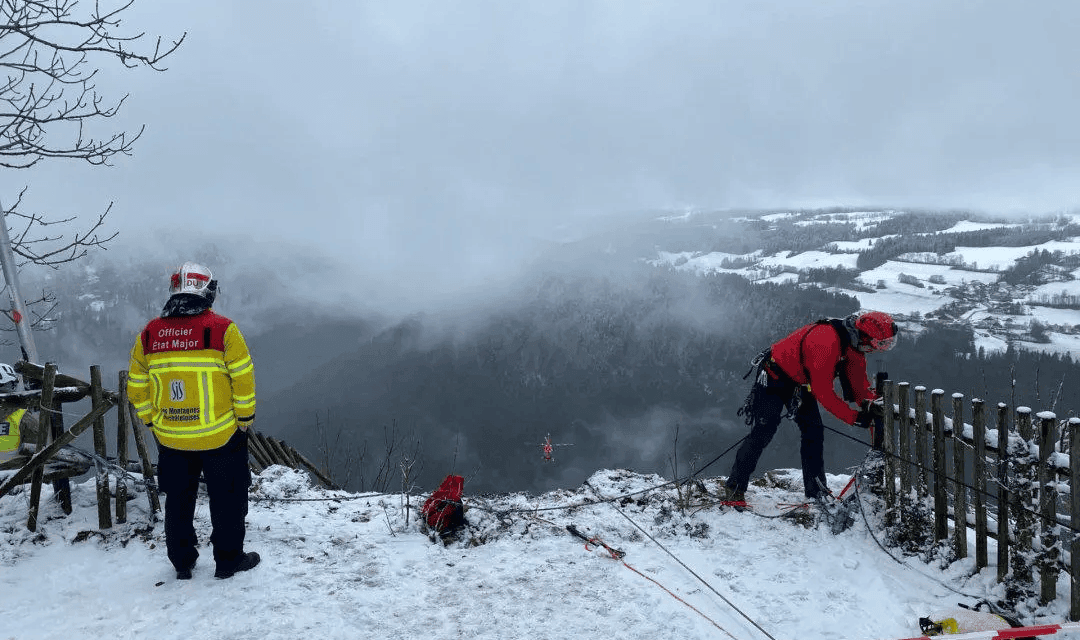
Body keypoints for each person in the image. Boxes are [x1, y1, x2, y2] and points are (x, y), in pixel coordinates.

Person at [128, 262, 259, 580]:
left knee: (178, 500)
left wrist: (151, 420)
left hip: (171, 437)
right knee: (227, 499)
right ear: (208, 292)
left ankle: (182, 561)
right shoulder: (224, 329)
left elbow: (136, 384)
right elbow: (242, 378)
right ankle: (228, 561)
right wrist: (244, 418)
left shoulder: (150, 333)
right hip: (221, 435)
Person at [721, 310, 898, 503]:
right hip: (774, 375)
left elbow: (858, 386)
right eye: (880, 343)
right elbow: (824, 392)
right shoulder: (826, 342)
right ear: (865, 335)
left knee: (813, 432)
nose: (879, 349)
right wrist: (854, 418)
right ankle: (735, 486)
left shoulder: (853, 345)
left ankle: (816, 492)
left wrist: (872, 404)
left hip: (801, 382)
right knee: (765, 429)